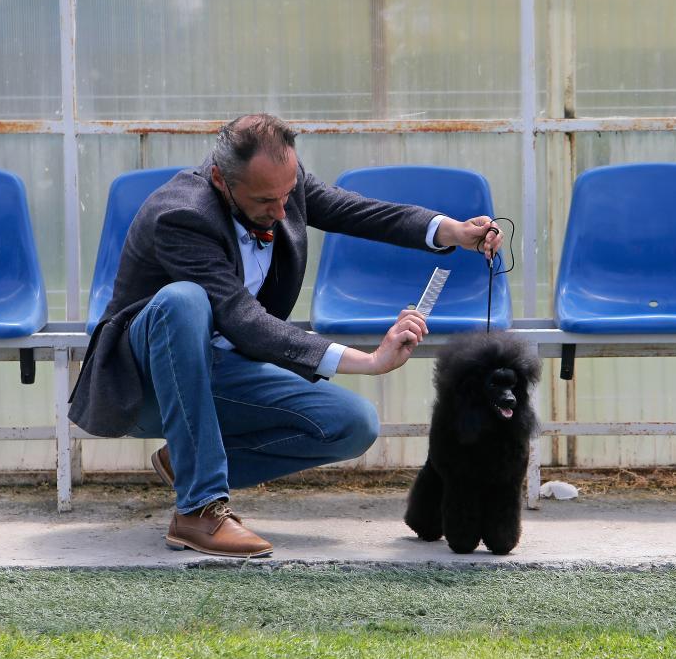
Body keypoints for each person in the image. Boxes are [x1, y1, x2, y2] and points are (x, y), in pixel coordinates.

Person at [69, 113, 502, 558]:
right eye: (265, 200)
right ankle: (198, 509)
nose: (281, 212)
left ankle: (186, 460)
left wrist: (452, 231)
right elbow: (244, 320)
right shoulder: (181, 215)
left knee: (352, 425)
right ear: (220, 180)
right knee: (184, 301)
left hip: (222, 371)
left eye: (287, 194)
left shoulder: (282, 187)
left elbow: (361, 212)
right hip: (146, 386)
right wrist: (370, 361)